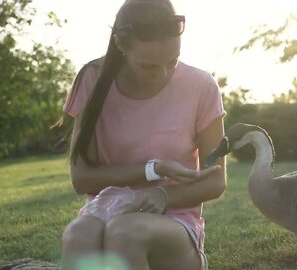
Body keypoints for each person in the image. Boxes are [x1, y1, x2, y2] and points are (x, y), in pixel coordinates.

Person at [60, 0, 226, 269]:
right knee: (77, 235)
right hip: (104, 212)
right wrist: (155, 169)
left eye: (172, 61)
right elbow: (82, 179)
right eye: (148, 66)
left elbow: (215, 180)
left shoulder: (201, 86)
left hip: (173, 222)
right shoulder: (92, 79)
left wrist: (164, 195)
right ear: (120, 45)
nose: (162, 74)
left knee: (125, 232)